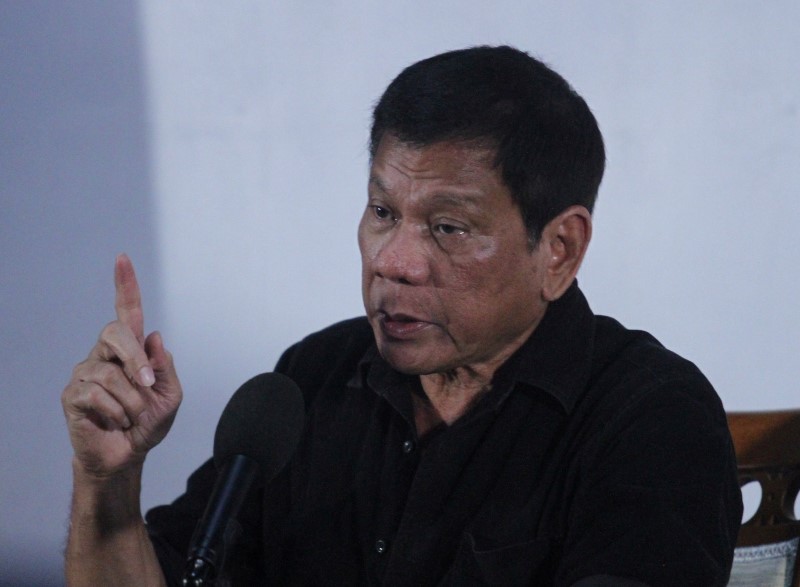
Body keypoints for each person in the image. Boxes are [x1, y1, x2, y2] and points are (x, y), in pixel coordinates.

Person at [62, 45, 742, 586]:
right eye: (383, 212)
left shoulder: (650, 416)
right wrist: (108, 481)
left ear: (558, 249)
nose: (395, 261)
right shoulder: (309, 383)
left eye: (448, 227)